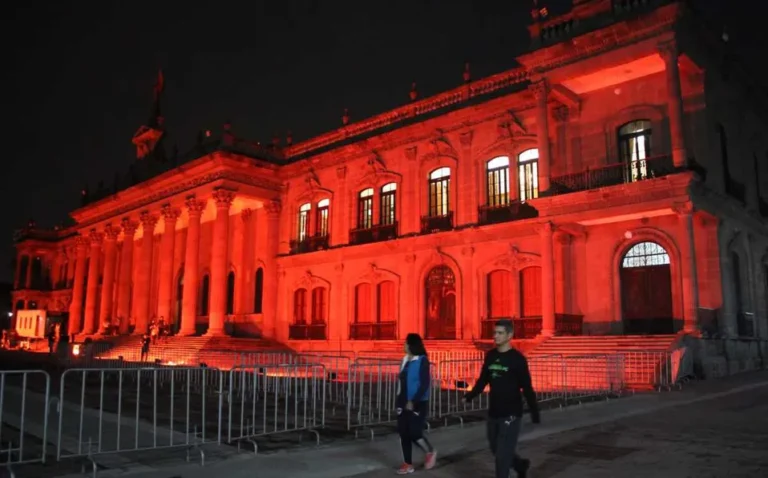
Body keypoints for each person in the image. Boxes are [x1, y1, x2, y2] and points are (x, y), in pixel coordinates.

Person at [463, 319, 540, 478]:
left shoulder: (517, 359)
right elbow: (483, 380)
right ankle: (520, 465)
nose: (495, 336)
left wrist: (534, 411)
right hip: (494, 411)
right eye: (494, 333)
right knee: (495, 448)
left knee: (502, 455)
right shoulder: (491, 356)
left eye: (500, 333)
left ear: (509, 335)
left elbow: (526, 386)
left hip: (511, 413)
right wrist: (470, 396)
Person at [395, 333, 437, 474]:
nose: (404, 345)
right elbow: (401, 382)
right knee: (403, 433)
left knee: (414, 432)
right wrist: (399, 401)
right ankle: (407, 463)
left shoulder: (422, 360)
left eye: (406, 343)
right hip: (402, 402)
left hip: (418, 402)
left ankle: (429, 451)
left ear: (412, 345)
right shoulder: (404, 360)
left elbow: (424, 384)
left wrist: (414, 401)